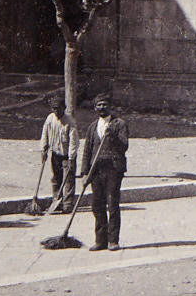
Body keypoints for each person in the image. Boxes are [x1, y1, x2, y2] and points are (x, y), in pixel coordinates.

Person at [79, 92, 129, 251]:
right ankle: (100, 240)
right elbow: (87, 151)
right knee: (97, 205)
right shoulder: (92, 127)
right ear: (95, 107)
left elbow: (124, 146)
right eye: (99, 105)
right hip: (96, 170)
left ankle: (113, 240)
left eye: (104, 105)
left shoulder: (119, 124)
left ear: (110, 106)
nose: (102, 107)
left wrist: (112, 136)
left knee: (112, 204)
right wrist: (84, 173)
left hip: (113, 169)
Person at [39, 93, 78, 215]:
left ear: (64, 108)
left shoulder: (69, 122)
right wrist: (43, 150)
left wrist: (72, 157)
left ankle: (67, 204)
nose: (56, 111)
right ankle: (57, 201)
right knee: (56, 179)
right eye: (53, 108)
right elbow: (45, 134)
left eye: (58, 108)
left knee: (68, 180)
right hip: (55, 154)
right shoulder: (50, 119)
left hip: (67, 156)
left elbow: (74, 141)